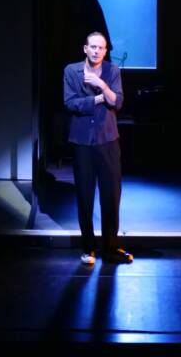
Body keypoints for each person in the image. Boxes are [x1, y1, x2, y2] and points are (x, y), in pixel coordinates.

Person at [63, 31, 133, 265]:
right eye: (93, 47)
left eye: (101, 48)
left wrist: (101, 85)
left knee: (111, 195)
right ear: (85, 49)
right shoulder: (71, 71)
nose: (96, 51)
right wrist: (97, 99)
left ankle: (110, 248)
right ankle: (88, 248)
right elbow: (70, 103)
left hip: (108, 140)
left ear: (105, 51)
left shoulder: (112, 71)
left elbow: (117, 101)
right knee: (85, 196)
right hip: (82, 141)